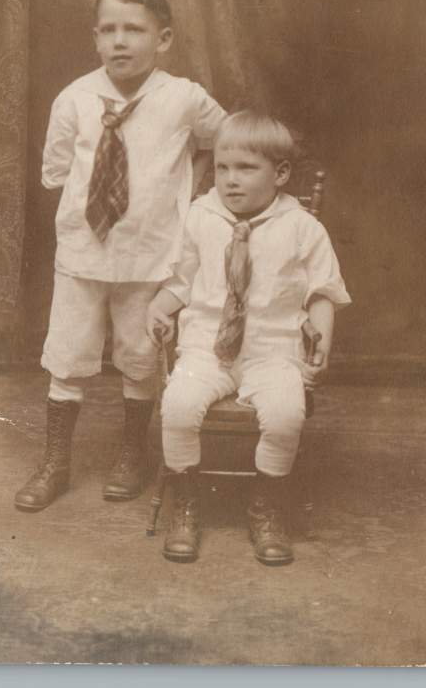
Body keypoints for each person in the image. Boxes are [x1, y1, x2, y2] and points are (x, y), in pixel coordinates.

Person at [14, 0, 227, 511]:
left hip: (153, 254)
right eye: (108, 29)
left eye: (134, 29)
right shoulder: (75, 98)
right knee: (67, 357)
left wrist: (190, 182)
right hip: (84, 255)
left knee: (138, 357)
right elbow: (59, 173)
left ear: (165, 38)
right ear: (94, 38)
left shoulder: (184, 99)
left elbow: (226, 140)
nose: (119, 41)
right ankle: (56, 462)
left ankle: (134, 453)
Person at [146, 111, 351, 565]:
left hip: (273, 352)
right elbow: (181, 280)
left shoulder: (303, 228)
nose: (230, 180)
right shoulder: (201, 217)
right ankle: (186, 500)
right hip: (207, 350)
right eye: (222, 167)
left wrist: (324, 341)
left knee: (284, 415)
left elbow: (322, 293)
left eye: (245, 169)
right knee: (177, 409)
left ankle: (266, 504)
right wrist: (159, 308)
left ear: (280, 174)